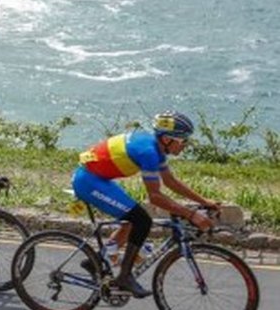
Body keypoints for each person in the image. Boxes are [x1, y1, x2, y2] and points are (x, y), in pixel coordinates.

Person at [72, 111, 219, 298]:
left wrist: (203, 202)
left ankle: (96, 261)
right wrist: (191, 215)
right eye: (183, 141)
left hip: (98, 178)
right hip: (88, 182)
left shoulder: (156, 149)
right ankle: (124, 277)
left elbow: (170, 182)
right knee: (142, 220)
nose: (185, 145)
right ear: (166, 139)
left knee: (133, 218)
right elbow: (155, 197)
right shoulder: (149, 152)